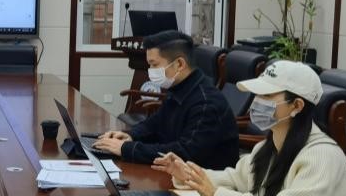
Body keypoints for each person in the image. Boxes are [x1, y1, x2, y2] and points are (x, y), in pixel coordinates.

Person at [152, 60, 346, 196]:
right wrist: (188, 175)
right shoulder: (265, 148)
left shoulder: (323, 155)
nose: (257, 102)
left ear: (297, 106)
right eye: (257, 95)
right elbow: (235, 179)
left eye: (267, 95)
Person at [92, 30, 239, 169]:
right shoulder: (179, 88)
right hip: (178, 175)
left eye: (154, 64)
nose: (150, 70)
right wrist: (131, 135)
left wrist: (127, 149)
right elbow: (155, 123)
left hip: (205, 182)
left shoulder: (206, 104)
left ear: (179, 64)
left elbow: (184, 153)